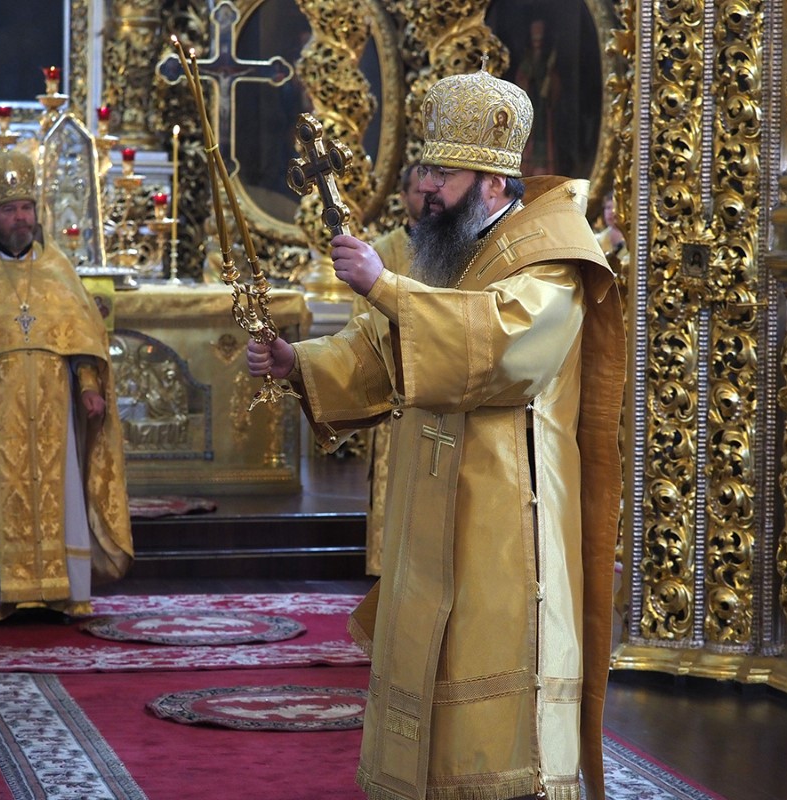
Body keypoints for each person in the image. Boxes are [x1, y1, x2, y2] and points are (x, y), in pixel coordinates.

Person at [248, 66, 625, 800]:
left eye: (441, 173)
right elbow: (377, 351)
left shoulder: (551, 253)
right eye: (422, 167)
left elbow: (507, 351)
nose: (423, 185)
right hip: (427, 504)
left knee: (484, 664)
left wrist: (385, 287)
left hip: (504, 517)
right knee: (426, 656)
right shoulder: (440, 249)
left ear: (490, 183)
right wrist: (298, 363)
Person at [0, 150, 134, 623]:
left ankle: (65, 591)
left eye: (27, 208)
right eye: (10, 210)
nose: (21, 218)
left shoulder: (59, 272)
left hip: (56, 407)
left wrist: (89, 388)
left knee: (62, 493)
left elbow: (80, 341)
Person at [353, 162, 423, 576]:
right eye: (418, 189)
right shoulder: (380, 251)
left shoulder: (458, 246)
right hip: (396, 389)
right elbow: (361, 325)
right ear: (402, 197)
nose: (428, 196)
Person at [513, 19, 560, 175]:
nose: (537, 42)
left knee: (543, 142)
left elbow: (555, 85)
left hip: (544, 110)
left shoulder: (548, 60)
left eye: (540, 38)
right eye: (534, 39)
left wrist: (549, 84)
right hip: (530, 106)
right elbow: (521, 81)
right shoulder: (527, 60)